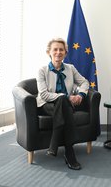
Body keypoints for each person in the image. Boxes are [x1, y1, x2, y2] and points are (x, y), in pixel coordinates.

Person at [36, 38, 89, 170]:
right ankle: (70, 152)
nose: (58, 52)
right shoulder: (42, 70)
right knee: (62, 100)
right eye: (55, 49)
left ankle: (54, 145)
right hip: (47, 105)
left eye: (61, 50)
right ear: (49, 52)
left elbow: (85, 82)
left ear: (65, 53)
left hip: (65, 106)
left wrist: (81, 95)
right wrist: (65, 97)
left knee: (63, 103)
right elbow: (43, 94)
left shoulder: (70, 68)